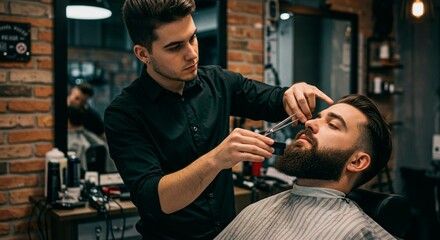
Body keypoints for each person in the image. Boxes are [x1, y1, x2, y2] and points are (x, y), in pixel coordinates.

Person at [104, 0, 333, 239]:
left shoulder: (219, 82)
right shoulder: (124, 113)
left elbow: (274, 101)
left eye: (192, 38)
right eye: (174, 47)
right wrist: (217, 159)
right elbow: (153, 199)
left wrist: (293, 94)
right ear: (143, 53)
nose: (191, 54)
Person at [214, 94, 395, 240]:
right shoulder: (256, 210)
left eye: (332, 125)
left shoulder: (354, 233)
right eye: (318, 118)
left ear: (356, 162)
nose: (309, 123)